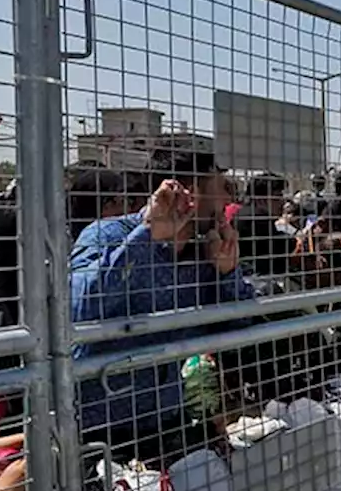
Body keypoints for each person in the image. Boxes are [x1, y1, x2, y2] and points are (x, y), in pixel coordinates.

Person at [69, 150, 252, 459]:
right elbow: (81, 306)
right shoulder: (108, 235)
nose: (227, 203)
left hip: (165, 418)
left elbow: (240, 330)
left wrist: (227, 273)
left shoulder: (204, 253)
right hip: (99, 428)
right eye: (222, 188)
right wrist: (148, 237)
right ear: (190, 192)